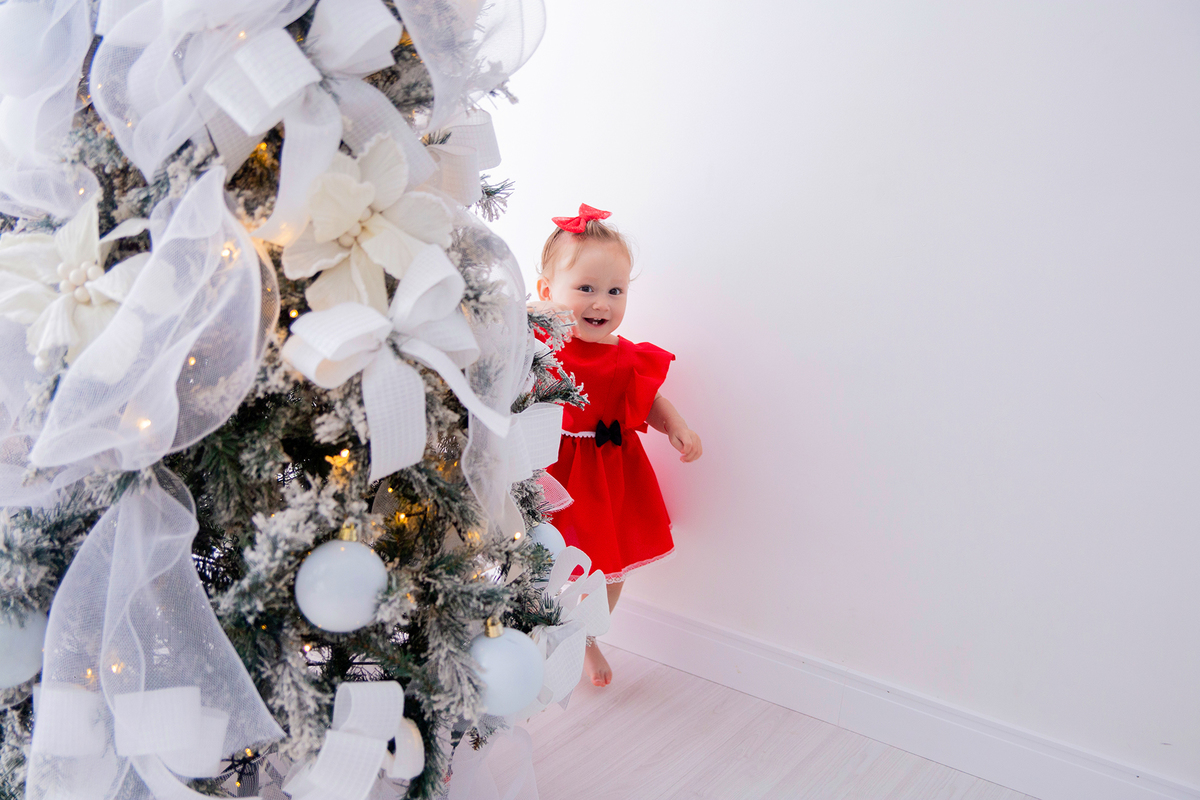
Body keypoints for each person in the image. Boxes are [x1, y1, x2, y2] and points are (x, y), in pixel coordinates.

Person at [529, 204, 702, 687]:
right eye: (584, 288)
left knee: (611, 566)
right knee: (547, 556)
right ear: (547, 293)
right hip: (555, 468)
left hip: (610, 474)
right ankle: (540, 631)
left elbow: (648, 401)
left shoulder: (627, 357)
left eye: (614, 291)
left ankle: (587, 634)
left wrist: (677, 427)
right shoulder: (543, 342)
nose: (600, 303)